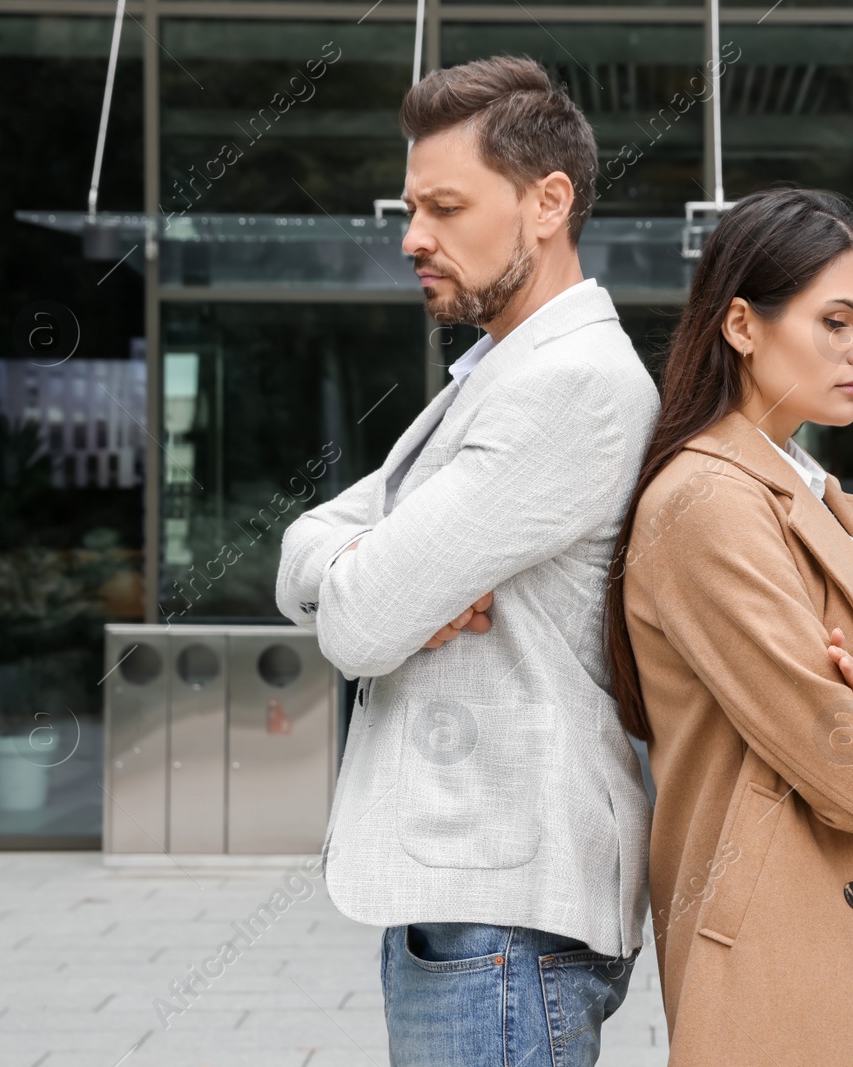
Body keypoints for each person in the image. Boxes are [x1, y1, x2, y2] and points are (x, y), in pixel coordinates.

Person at [275, 55, 658, 1067]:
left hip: (503, 914)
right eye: (410, 207)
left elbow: (358, 624)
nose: (412, 236)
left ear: (548, 202)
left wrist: (363, 576)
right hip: (479, 906)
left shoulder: (565, 386)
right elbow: (308, 544)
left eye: (444, 207)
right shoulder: (501, 370)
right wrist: (354, 564)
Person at [604, 188, 853, 1066]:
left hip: (840, 925)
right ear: (742, 324)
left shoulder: (826, 498)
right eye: (837, 320)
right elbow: (845, 762)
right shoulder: (707, 499)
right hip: (775, 946)